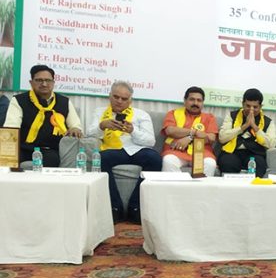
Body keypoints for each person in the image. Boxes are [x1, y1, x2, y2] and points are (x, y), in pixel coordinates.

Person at [87, 81, 162, 223]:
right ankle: (114, 208)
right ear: (110, 96)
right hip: (113, 150)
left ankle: (136, 207)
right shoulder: (99, 112)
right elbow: (89, 135)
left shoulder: (141, 115)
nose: (119, 101)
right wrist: (102, 126)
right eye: (116, 97)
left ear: (130, 100)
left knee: (155, 159)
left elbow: (150, 141)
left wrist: (133, 131)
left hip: (137, 149)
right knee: (100, 158)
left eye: (124, 99)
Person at [4, 64, 82, 167]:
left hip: (49, 150)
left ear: (53, 83)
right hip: (23, 148)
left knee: (52, 160)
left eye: (48, 80)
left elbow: (76, 125)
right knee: (7, 159)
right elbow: (11, 127)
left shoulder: (64, 102)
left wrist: (75, 129)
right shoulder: (19, 100)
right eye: (39, 80)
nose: (44, 84)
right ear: (31, 83)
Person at [217, 88, 276, 176]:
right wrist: (243, 126)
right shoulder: (231, 116)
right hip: (232, 152)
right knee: (227, 163)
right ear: (242, 104)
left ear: (260, 106)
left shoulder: (268, 122)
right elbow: (222, 138)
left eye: (255, 107)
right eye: (248, 106)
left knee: (259, 164)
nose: (251, 110)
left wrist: (255, 127)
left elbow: (272, 144)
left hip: (255, 154)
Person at [161, 87, 219, 177]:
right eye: (192, 99)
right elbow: (170, 130)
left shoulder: (209, 117)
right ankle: (179, 190)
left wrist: (189, 138)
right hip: (176, 151)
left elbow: (211, 138)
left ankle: (200, 191)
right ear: (185, 101)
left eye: (199, 100)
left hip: (201, 153)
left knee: (210, 163)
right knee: (168, 160)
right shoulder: (173, 113)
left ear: (203, 103)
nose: (195, 103)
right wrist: (194, 132)